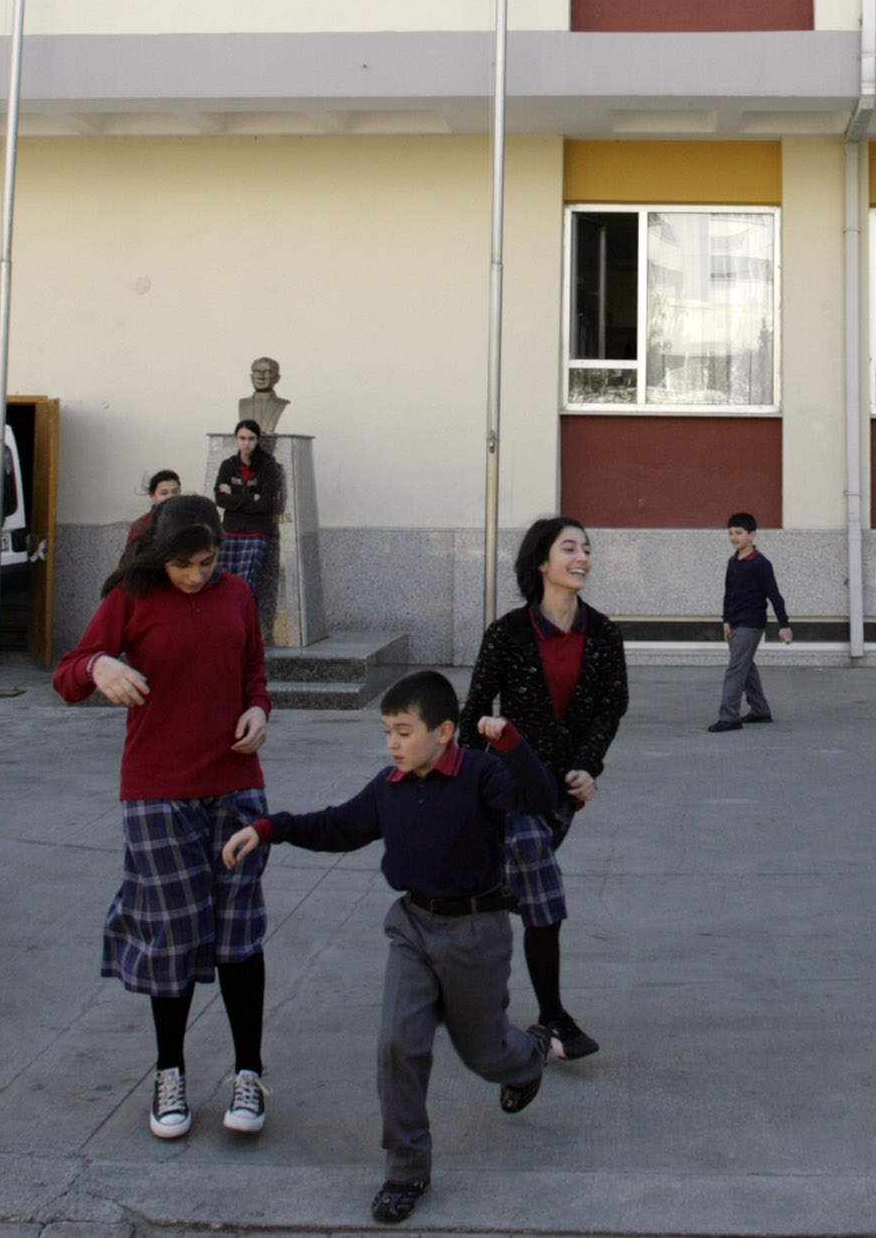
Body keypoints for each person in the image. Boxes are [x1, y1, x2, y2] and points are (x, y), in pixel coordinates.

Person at [223, 672, 557, 1226]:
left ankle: (527, 1058)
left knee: (484, 1053)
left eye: (403, 732)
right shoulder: (390, 787)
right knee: (398, 1044)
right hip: (412, 928)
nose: (392, 744)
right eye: (387, 732)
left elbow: (540, 798)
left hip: (476, 931)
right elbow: (336, 826)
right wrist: (267, 828)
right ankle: (406, 1169)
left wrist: (510, 743)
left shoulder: (480, 775)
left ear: (445, 732)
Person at [52, 494, 272, 1141]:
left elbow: (254, 670)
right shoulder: (131, 598)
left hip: (234, 788)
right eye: (185, 565)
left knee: (239, 933)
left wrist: (258, 711)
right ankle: (168, 1071)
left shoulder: (235, 596)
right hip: (155, 792)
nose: (198, 576)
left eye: (207, 562)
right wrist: (100, 664)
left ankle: (249, 1074)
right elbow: (66, 675)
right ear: (160, 556)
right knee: (170, 935)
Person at [460, 516, 628, 1061]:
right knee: (539, 887)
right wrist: (476, 770)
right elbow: (472, 713)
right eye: (569, 548)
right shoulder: (507, 633)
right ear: (541, 562)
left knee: (516, 894)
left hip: (563, 793)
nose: (582, 558)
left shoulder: (603, 633)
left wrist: (588, 766)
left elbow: (610, 707)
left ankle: (460, 976)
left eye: (586, 548)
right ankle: (553, 1018)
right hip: (510, 787)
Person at [710, 510, 789, 732]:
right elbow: (729, 592)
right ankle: (760, 710)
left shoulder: (761, 564)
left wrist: (784, 625)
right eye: (731, 533)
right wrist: (726, 620)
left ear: (752, 535)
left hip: (751, 624)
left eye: (739, 533)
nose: (734, 537)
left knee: (735, 669)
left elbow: (774, 595)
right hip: (734, 623)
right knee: (745, 667)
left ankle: (729, 717)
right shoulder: (733, 562)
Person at [212, 421, 284, 603]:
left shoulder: (267, 466)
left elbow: (267, 503)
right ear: (236, 439)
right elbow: (220, 499)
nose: (246, 443)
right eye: (242, 438)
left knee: (245, 583)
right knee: (221, 580)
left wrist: (234, 497)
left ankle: (244, 624)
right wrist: (251, 497)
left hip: (256, 531)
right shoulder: (228, 465)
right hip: (229, 530)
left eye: (251, 439)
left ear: (257, 440)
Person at [123, 470, 183, 558]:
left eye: (175, 492)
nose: (170, 496)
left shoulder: (190, 521)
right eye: (164, 493)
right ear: (153, 496)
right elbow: (130, 560)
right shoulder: (141, 525)